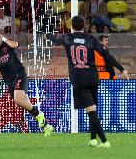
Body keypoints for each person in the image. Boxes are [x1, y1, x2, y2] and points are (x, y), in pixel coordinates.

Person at [46, 16, 129, 147]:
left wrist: (47, 34)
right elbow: (106, 55)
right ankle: (93, 139)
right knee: (93, 109)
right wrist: (121, 69)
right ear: (84, 26)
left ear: (71, 26)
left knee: (91, 111)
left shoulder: (67, 38)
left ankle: (105, 141)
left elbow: (53, 39)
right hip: (93, 78)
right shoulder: (91, 39)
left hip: (79, 79)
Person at [0, 29, 54, 136]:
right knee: (26, 105)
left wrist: (2, 37)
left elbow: (15, 44)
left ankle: (40, 115)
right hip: (9, 81)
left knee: (18, 100)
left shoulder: (5, 44)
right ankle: (47, 126)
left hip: (19, 74)